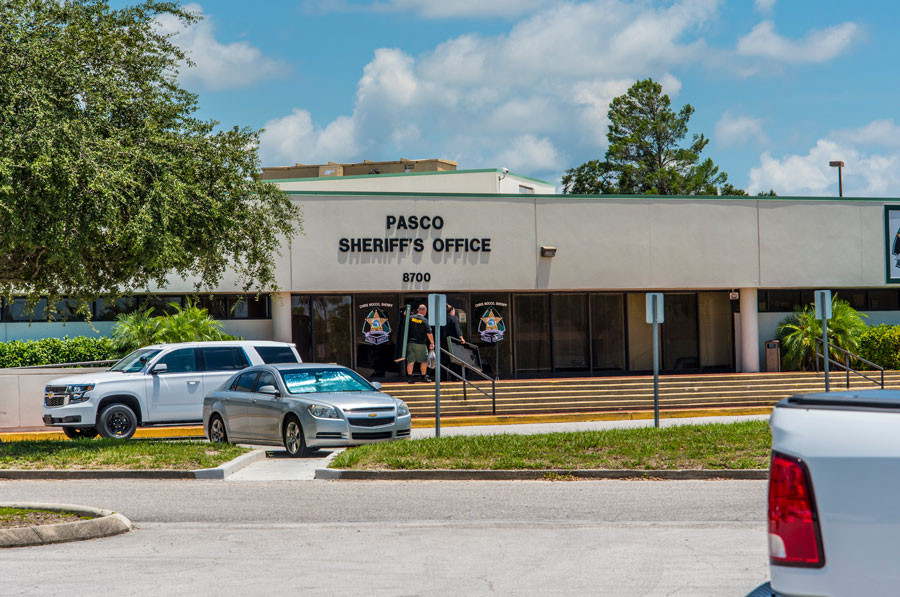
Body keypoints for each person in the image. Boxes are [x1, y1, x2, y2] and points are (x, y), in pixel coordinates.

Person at [406, 304, 434, 383]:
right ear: (425, 311)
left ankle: (410, 378)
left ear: (418, 310)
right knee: (424, 361)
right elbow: (429, 333)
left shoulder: (410, 318)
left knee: (411, 361)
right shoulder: (424, 320)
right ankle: (423, 376)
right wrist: (432, 342)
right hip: (420, 343)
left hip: (410, 343)